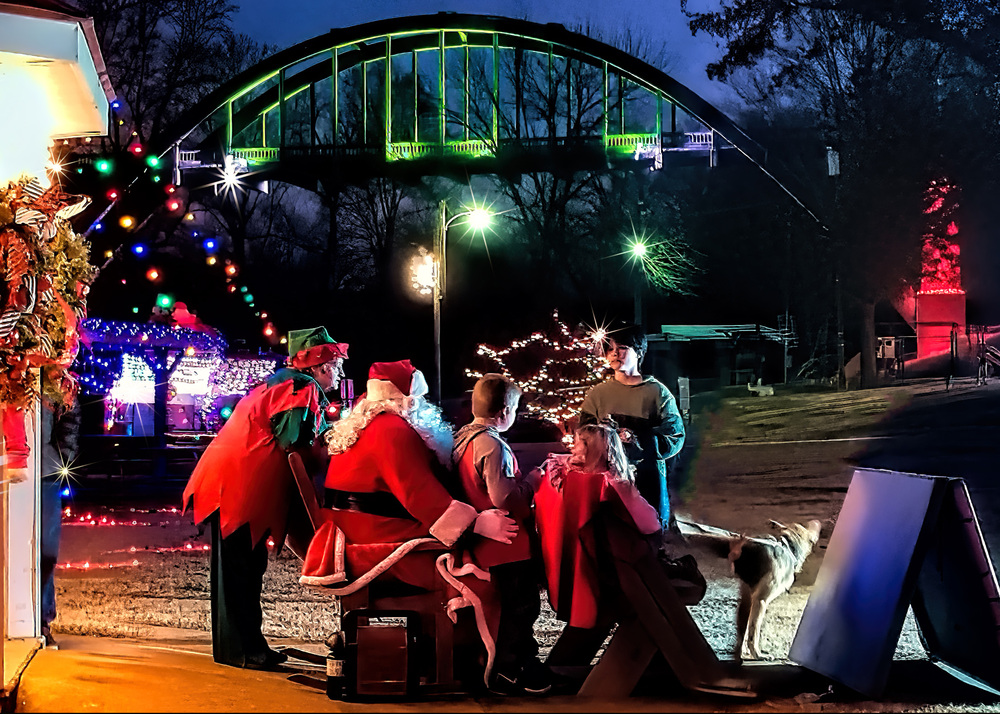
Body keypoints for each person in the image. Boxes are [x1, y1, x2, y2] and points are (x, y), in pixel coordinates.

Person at [299, 359, 516, 687]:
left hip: (355, 531)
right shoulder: (391, 431)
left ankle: (464, 656)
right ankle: (489, 663)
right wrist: (476, 524)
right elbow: (420, 495)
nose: (425, 405)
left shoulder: (367, 422)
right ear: (405, 400)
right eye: (420, 399)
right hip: (377, 540)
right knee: (476, 565)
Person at [182, 326, 348, 670]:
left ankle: (242, 647)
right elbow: (294, 442)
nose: (340, 372)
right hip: (241, 488)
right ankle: (245, 651)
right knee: (242, 569)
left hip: (231, 483)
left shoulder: (281, 381)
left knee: (240, 569)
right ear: (318, 366)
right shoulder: (300, 387)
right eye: (335, 365)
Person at [452, 373, 550, 696]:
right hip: (508, 547)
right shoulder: (492, 445)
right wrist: (535, 480)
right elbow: (505, 497)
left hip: (484, 546)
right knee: (521, 608)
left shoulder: (462, 440)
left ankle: (507, 665)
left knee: (511, 608)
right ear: (505, 411)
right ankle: (513, 670)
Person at [533, 423, 662, 666]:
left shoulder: (557, 476)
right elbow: (649, 525)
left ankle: (564, 667)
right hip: (611, 571)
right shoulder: (612, 484)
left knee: (594, 619)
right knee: (643, 609)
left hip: (571, 566)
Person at [580, 322, 685, 530]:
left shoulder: (657, 393)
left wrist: (636, 437)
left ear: (638, 352)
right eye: (609, 348)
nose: (614, 354)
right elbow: (583, 435)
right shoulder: (598, 394)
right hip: (607, 485)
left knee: (648, 540)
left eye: (622, 348)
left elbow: (674, 436)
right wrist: (605, 438)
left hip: (648, 482)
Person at [39, 365, 82, 650]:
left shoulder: (58, 384)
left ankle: (42, 617)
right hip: (40, 471)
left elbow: (70, 425)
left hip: (44, 474)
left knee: (46, 551)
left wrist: (58, 460)